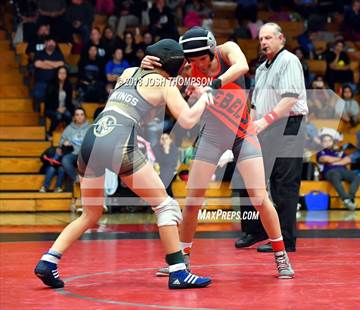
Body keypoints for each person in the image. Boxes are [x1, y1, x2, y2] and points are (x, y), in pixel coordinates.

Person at [34, 39, 213, 290]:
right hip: (118, 139)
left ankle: (48, 261)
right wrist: (205, 96)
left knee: (91, 213)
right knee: (165, 205)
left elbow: (142, 94)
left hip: (93, 137)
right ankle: (178, 272)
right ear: (171, 66)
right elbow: (188, 119)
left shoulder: (128, 72)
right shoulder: (163, 84)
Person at [142, 26, 295, 278]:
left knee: (259, 197)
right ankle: (183, 260)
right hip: (212, 136)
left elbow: (242, 66)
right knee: (192, 202)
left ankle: (281, 255)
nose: (199, 64)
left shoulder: (227, 51)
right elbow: (161, 72)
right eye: (193, 60)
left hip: (242, 134)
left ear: (212, 50)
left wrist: (211, 86)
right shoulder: (189, 66)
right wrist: (146, 63)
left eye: (203, 58)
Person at [240, 22, 308, 253]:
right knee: (249, 177)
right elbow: (256, 105)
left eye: (268, 38)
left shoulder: (289, 60)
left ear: (281, 39)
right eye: (261, 39)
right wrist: (248, 128)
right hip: (265, 126)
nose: (264, 42)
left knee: (283, 184)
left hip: (289, 125)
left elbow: (289, 100)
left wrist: (263, 122)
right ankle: (255, 230)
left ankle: (285, 239)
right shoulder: (260, 69)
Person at [317, 133, 360, 210]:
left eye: (329, 141)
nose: (327, 143)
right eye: (325, 141)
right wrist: (339, 159)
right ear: (322, 143)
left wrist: (334, 162)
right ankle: (345, 199)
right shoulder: (321, 151)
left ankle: (350, 197)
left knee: (357, 177)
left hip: (343, 170)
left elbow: (348, 160)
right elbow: (325, 159)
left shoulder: (338, 151)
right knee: (335, 176)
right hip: (330, 171)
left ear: (332, 142)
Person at [59, 107, 90, 189]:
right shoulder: (69, 128)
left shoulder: (90, 128)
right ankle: (77, 178)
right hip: (73, 153)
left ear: (85, 116)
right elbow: (61, 142)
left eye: (81, 115)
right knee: (65, 160)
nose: (79, 117)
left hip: (86, 154)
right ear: (74, 117)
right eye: (77, 115)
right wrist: (64, 143)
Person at [32, 37, 65, 111]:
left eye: (53, 42)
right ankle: (38, 112)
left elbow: (61, 64)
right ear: (45, 43)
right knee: (37, 94)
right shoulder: (39, 53)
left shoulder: (58, 54)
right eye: (49, 41)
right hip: (41, 82)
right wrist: (54, 65)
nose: (51, 44)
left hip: (55, 82)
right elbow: (37, 64)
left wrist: (46, 62)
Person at [44, 66, 74, 140]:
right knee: (58, 116)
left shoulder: (68, 85)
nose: (62, 75)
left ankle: (69, 135)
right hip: (51, 108)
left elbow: (69, 101)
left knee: (69, 115)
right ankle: (49, 133)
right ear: (57, 74)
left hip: (64, 108)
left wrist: (65, 108)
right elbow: (48, 100)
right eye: (60, 73)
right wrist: (57, 108)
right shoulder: (51, 84)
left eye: (64, 73)